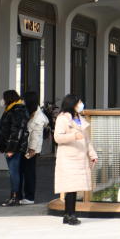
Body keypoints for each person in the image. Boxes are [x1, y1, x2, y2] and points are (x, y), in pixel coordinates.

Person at [53, 94, 97, 226]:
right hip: (69, 158)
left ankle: (69, 214)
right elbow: (58, 137)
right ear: (72, 104)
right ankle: (70, 214)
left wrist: (92, 154)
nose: (81, 104)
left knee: (74, 188)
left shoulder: (79, 118)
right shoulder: (63, 119)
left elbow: (87, 140)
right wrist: (73, 136)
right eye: (79, 102)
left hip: (80, 157)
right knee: (70, 187)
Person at [0, 90, 29, 207]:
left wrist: (11, 148)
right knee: (15, 172)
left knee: (14, 172)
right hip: (12, 146)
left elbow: (16, 131)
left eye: (3, 98)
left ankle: (15, 197)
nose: (2, 100)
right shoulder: (13, 109)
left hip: (14, 148)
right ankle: (15, 196)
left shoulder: (16, 110)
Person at [20, 91, 50, 206]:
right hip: (27, 147)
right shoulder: (30, 112)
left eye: (24, 99)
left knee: (29, 173)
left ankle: (29, 196)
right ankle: (25, 195)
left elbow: (35, 136)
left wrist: (32, 150)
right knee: (26, 171)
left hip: (31, 150)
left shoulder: (38, 117)